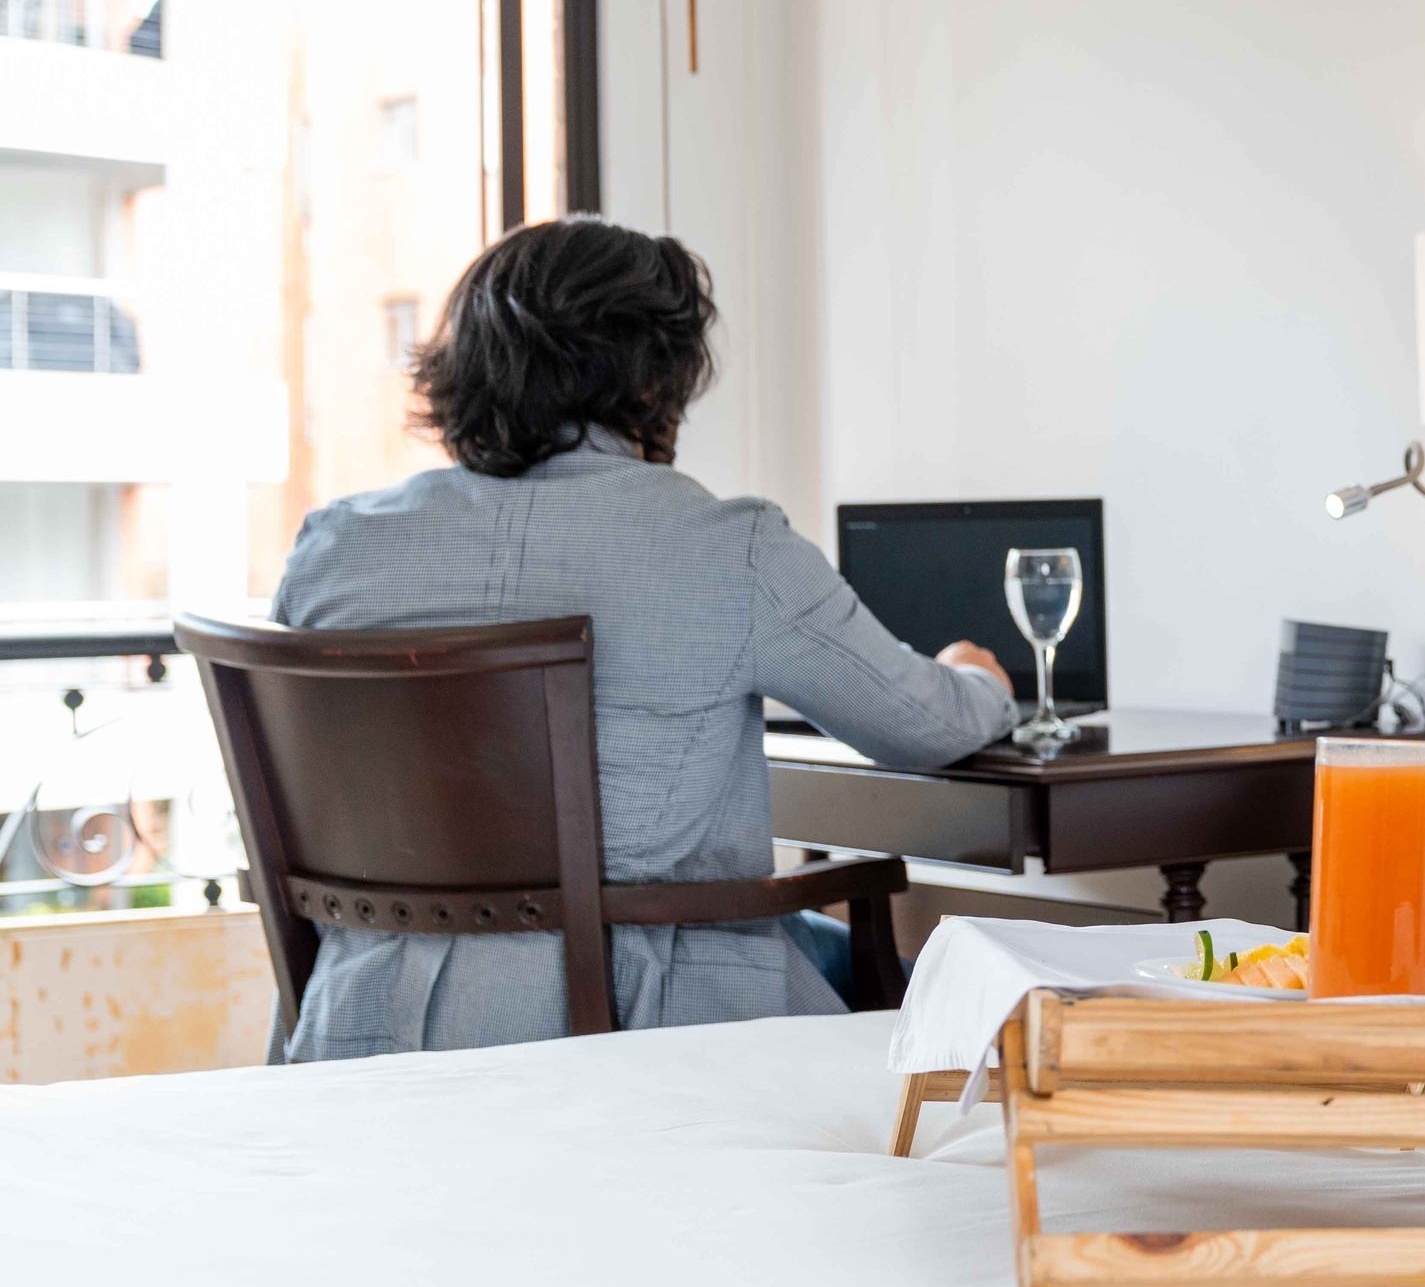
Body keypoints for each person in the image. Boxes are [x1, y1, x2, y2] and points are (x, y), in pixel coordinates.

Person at [268, 216, 1017, 1059]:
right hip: (642, 1012)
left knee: (819, 944)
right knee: (948, 998)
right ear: (657, 377)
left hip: (367, 1012)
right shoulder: (724, 543)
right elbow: (923, 726)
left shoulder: (337, 546)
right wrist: (975, 677)